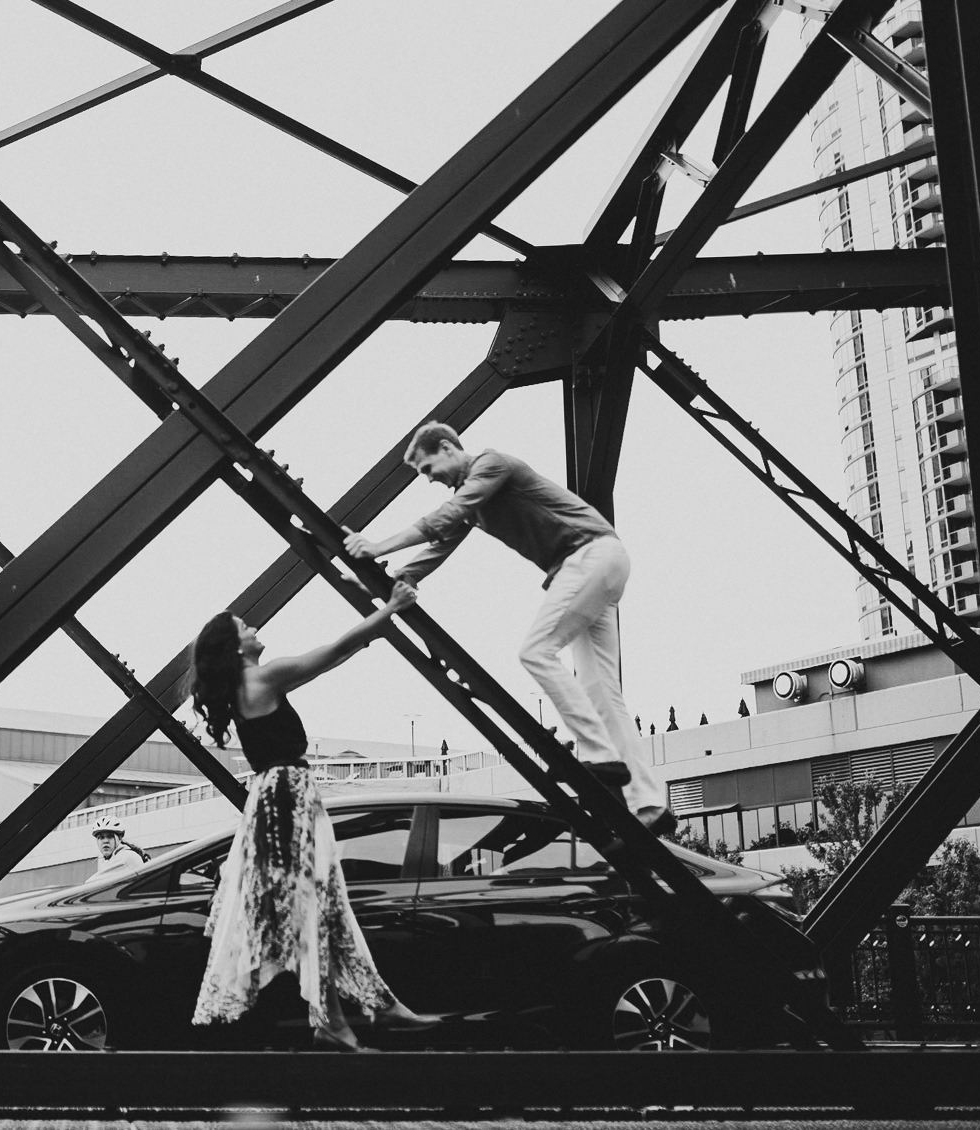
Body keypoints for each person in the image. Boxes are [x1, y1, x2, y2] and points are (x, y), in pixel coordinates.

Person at [343, 423, 673, 835]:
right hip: (600, 565)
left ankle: (598, 754)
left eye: (428, 467)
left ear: (447, 447)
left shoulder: (491, 465)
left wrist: (376, 546)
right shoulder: (475, 498)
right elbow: (439, 544)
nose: (429, 479)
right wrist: (391, 577)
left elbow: (444, 517)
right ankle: (650, 803)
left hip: (588, 557)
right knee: (602, 691)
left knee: (536, 651)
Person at [189, 583, 431, 1051]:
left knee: (316, 906)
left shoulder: (246, 686)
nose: (255, 627)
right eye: (245, 625)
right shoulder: (260, 677)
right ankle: (349, 1017)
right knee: (315, 904)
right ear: (236, 646)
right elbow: (334, 651)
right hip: (286, 800)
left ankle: (349, 1015)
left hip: (279, 799)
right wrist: (391, 609)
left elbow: (337, 652)